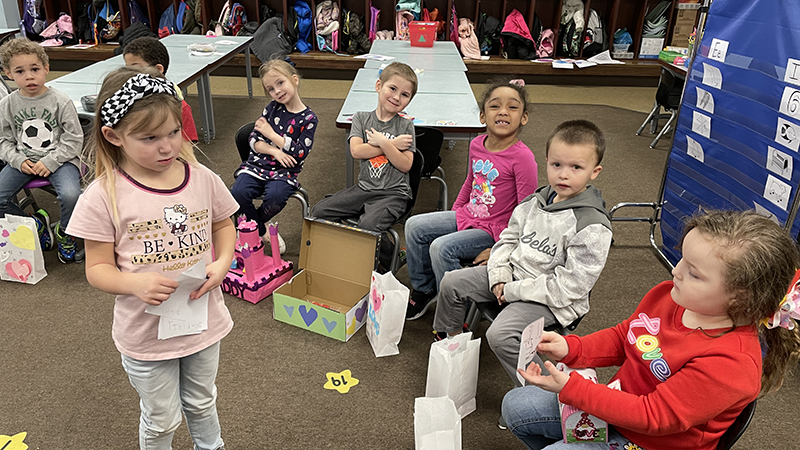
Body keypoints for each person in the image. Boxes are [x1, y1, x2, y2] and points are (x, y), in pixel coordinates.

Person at [503, 209, 800, 450]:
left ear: (741, 296)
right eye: (681, 258)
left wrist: (573, 389)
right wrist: (573, 349)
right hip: (621, 410)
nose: (676, 271)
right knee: (517, 404)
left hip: (653, 441)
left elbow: (652, 416)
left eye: (694, 273)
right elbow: (625, 336)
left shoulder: (731, 364)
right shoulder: (670, 295)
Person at [66, 66, 238, 450]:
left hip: (202, 321)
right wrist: (134, 283)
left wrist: (223, 261)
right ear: (114, 136)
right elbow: (96, 269)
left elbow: (224, 227)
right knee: (161, 417)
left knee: (202, 400)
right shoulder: (103, 195)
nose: (167, 147)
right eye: (149, 138)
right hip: (145, 336)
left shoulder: (201, 178)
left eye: (174, 132)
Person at [432, 120, 612, 388]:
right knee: (451, 282)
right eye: (557, 165)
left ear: (594, 172)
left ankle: (538, 396)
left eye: (576, 167)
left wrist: (513, 290)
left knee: (501, 335)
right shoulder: (534, 201)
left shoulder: (592, 225)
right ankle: (454, 345)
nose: (564, 175)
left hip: (550, 300)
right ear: (547, 161)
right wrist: (500, 276)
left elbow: (568, 289)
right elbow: (507, 241)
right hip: (513, 277)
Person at [404, 77, 539, 320]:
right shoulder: (477, 143)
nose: (503, 112)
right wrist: (455, 214)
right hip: (469, 215)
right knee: (414, 226)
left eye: (513, 107)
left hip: (495, 229)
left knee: (441, 247)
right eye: (495, 106)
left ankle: (457, 312)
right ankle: (425, 289)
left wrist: (499, 249)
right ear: (482, 116)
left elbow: (527, 211)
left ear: (524, 117)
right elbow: (471, 181)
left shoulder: (523, 158)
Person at [311, 61, 417, 267]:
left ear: (409, 100)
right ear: (379, 86)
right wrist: (393, 144)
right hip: (364, 188)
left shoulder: (406, 125)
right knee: (319, 212)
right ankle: (379, 252)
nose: (396, 97)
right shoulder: (361, 118)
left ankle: (391, 257)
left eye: (405, 95)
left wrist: (383, 142)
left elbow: (405, 165)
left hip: (393, 193)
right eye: (392, 88)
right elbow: (357, 151)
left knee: (367, 226)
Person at [0, 38, 84, 263]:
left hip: (61, 160)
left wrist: (51, 161)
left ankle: (65, 233)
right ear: (9, 74)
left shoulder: (60, 101)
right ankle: (34, 224)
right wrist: (17, 160)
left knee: (71, 194)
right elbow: (3, 141)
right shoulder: (7, 105)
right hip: (23, 161)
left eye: (35, 69)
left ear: (46, 69)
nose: (29, 76)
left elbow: (74, 139)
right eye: (20, 71)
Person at [230, 59, 317, 253]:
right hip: (256, 166)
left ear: (294, 80)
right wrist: (275, 150)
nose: (277, 91)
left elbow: (299, 153)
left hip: (284, 171)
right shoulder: (271, 109)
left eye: (280, 83)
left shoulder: (309, 119)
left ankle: (250, 228)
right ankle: (261, 230)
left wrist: (271, 135)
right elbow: (253, 141)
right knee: (238, 193)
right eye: (270, 88)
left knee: (277, 197)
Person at [122, 36, 199, 143]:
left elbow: (188, 148)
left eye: (135, 68)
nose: (129, 73)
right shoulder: (127, 99)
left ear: (158, 69)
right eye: (127, 68)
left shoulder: (178, 106)